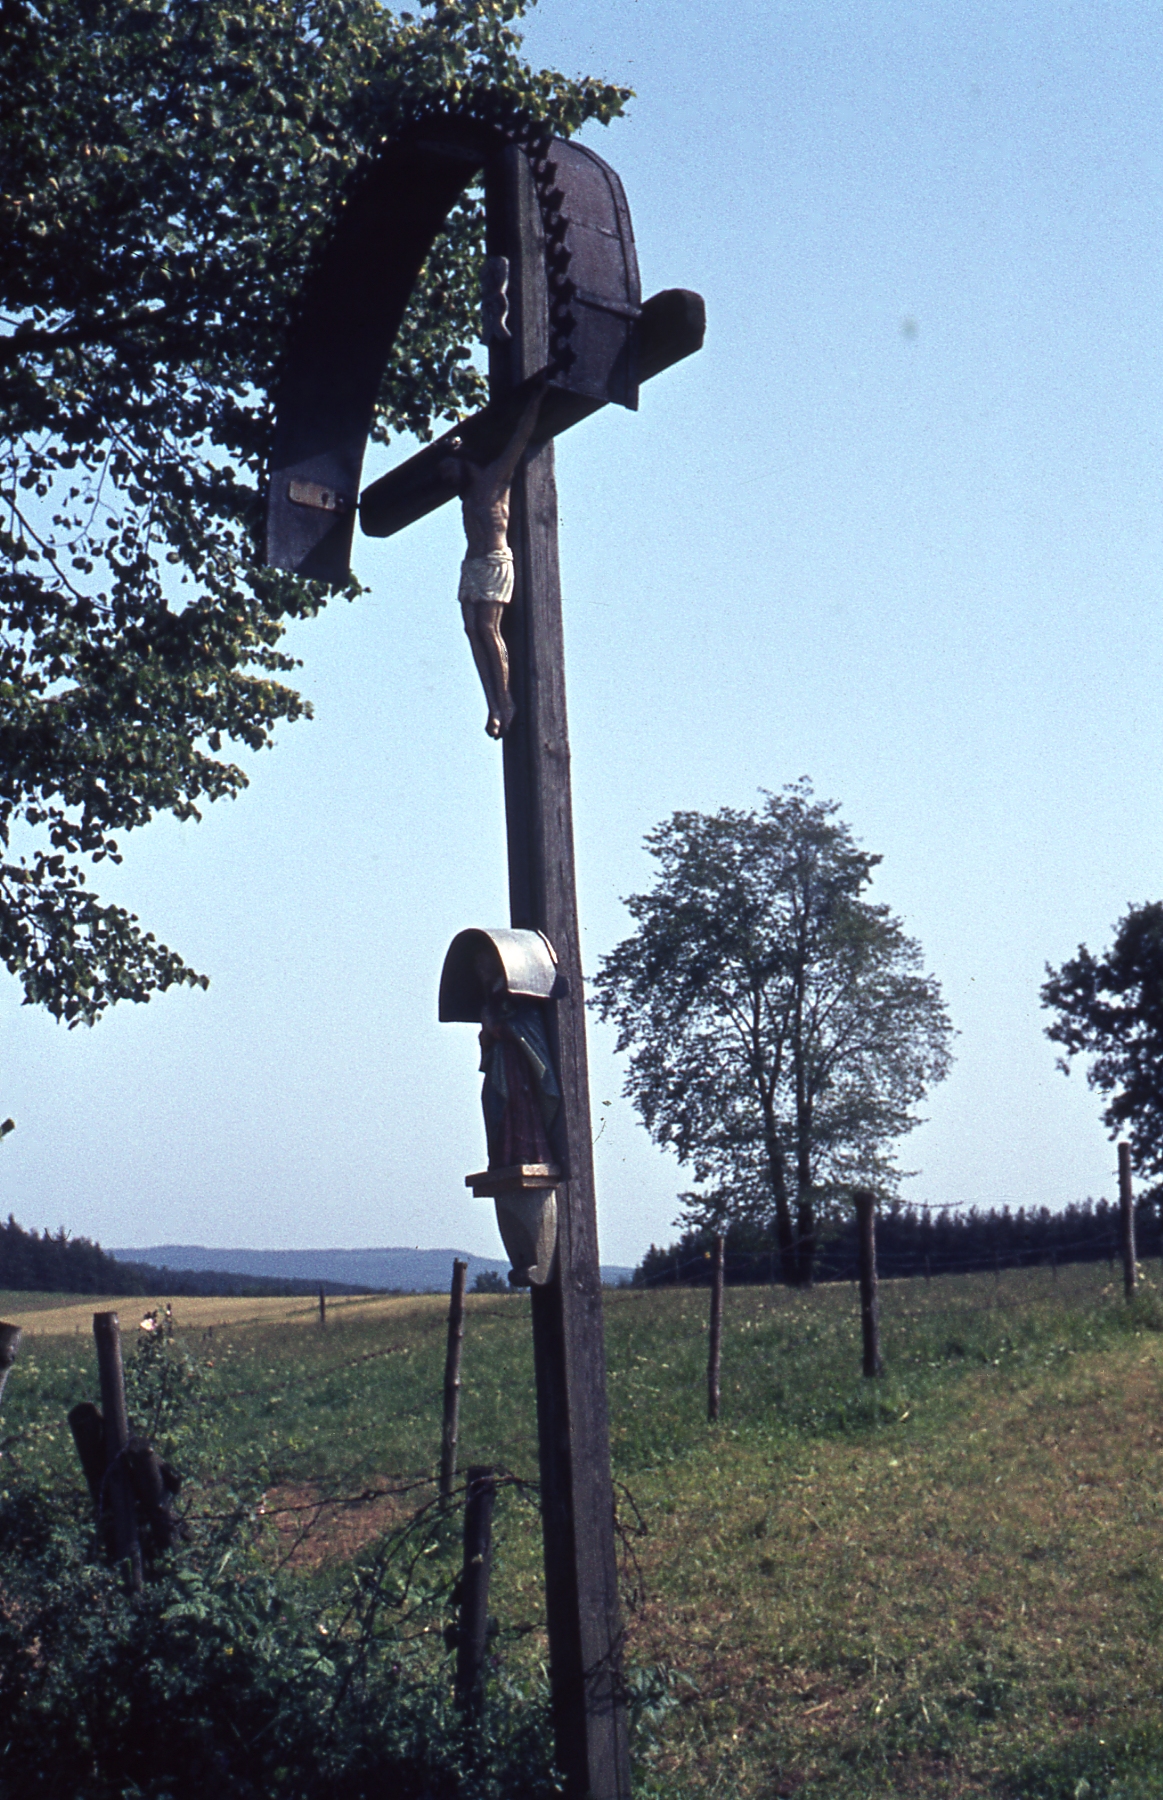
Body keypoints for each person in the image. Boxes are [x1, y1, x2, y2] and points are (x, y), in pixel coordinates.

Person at [439, 379, 547, 738]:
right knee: (472, 630)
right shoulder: (468, 496)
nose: (447, 479)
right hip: (471, 566)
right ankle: (493, 705)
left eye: (449, 470)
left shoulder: (496, 479)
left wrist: (536, 399)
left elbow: (520, 438)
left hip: (494, 562)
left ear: (463, 463)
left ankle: (505, 701)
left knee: (488, 628)